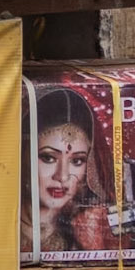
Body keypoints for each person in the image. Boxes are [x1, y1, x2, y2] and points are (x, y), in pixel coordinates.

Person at [22, 88, 112, 254]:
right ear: (22, 156)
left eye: (77, 161)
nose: (62, 176)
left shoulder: (95, 228)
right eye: (48, 158)